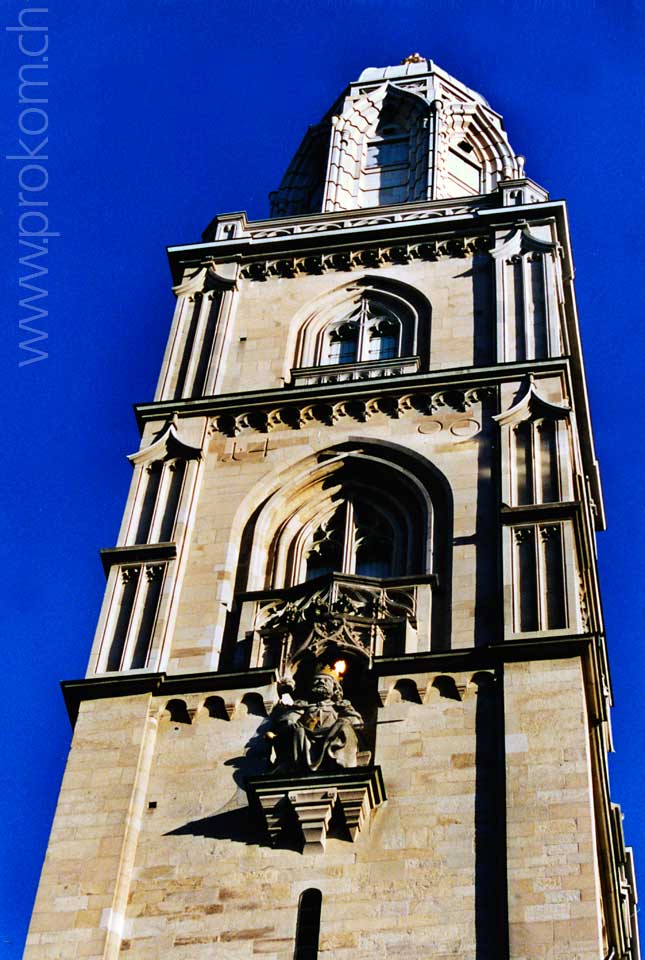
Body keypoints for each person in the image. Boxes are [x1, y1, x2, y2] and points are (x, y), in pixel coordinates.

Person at [268, 668, 363, 774]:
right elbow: (286, 720)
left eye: (326, 681)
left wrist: (346, 711)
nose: (321, 682)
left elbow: (357, 723)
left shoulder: (338, 707)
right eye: (317, 680)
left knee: (344, 726)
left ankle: (338, 762)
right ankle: (298, 766)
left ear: (335, 688)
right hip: (306, 739)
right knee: (297, 731)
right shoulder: (303, 706)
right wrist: (291, 723)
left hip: (331, 737)